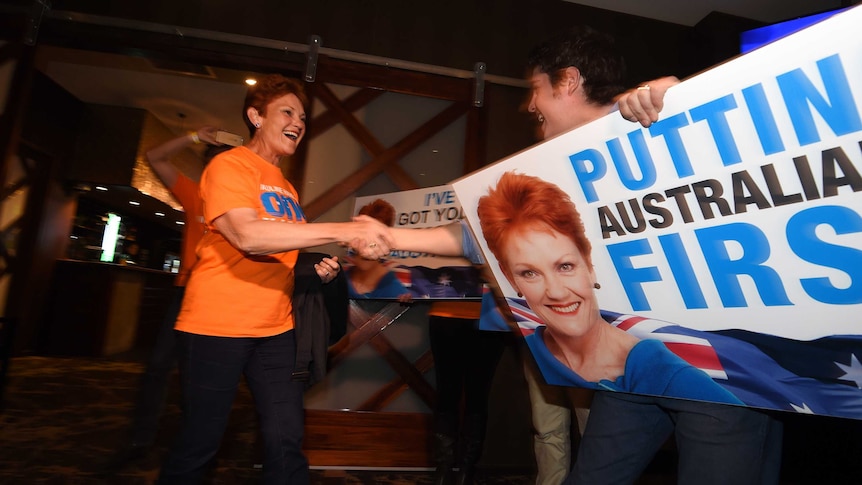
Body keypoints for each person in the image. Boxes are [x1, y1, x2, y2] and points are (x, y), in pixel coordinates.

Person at [368, 25, 781, 485]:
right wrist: (390, 237)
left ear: (567, 82)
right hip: (631, 367)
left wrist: (677, 94)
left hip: (721, 375)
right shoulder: (555, 172)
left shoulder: (661, 117)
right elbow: (478, 237)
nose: (529, 105)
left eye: (535, 89)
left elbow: (754, 152)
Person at [156, 74, 393, 484]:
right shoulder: (229, 165)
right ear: (255, 116)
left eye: (302, 116)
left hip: (276, 328)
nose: (298, 122)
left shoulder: (285, 187)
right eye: (287, 112)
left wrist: (316, 269)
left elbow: (280, 249)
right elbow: (247, 236)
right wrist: (342, 230)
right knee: (200, 443)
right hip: (216, 327)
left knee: (286, 439)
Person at [477, 171, 744, 403]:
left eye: (565, 266)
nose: (556, 292)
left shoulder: (648, 364)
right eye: (530, 273)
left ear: (589, 263)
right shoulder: (538, 347)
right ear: (510, 279)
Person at [110, 126, 226, 465]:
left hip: (220, 299)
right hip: (185, 294)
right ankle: (140, 441)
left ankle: (194, 445)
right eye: (215, 167)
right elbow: (154, 157)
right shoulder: (195, 196)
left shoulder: (243, 208)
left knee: (202, 376)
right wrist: (194, 137)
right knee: (159, 366)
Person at [345, 199, 411, 299]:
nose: (367, 245)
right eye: (363, 235)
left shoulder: (395, 290)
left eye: (377, 238)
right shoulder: (339, 276)